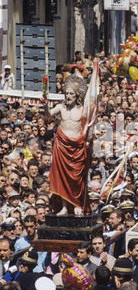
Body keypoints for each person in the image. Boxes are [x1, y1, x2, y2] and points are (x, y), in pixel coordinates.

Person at [44, 75, 90, 216]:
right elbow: (48, 116)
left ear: (77, 95)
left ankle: (76, 204)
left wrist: (92, 137)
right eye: (67, 93)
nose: (68, 96)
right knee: (61, 177)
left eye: (71, 94)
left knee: (75, 178)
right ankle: (64, 207)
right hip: (61, 146)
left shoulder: (83, 110)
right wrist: (45, 104)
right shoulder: (60, 107)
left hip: (76, 147)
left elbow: (89, 126)